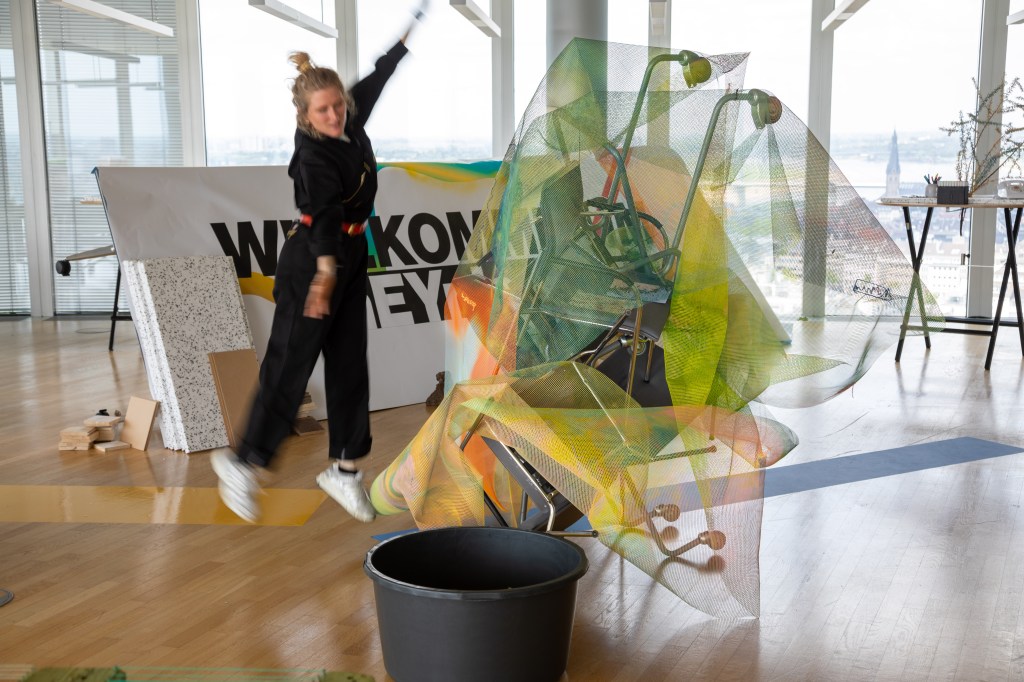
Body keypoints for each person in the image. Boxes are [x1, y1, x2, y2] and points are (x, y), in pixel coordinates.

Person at [212, 14, 423, 524]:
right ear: (306, 116)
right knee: (290, 365)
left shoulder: (349, 117)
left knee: (350, 365)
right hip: (313, 260)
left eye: (338, 106)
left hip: (350, 257)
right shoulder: (313, 155)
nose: (334, 116)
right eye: (323, 110)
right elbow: (324, 214)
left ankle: (344, 471)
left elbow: (376, 81)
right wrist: (326, 274)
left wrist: (403, 40)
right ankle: (243, 463)